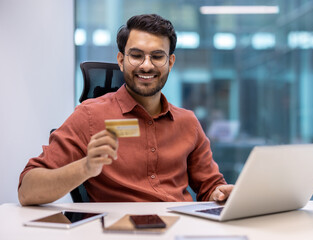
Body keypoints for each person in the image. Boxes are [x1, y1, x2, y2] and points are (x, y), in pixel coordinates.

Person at [18, 14, 233, 206]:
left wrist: (221, 194)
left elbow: (211, 188)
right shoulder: (90, 115)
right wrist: (86, 167)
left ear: (170, 62)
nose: (146, 65)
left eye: (157, 56)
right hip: (121, 231)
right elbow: (27, 191)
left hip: (179, 229)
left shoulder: (188, 122)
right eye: (136, 55)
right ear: (121, 60)